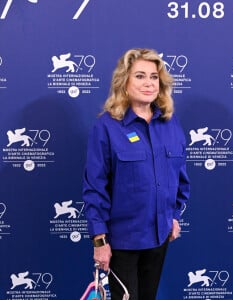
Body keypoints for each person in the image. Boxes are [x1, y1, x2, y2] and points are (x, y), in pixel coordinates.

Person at [83, 48, 190, 300]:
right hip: (122, 242)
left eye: (154, 77)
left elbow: (179, 179)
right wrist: (99, 241)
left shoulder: (171, 124)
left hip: (159, 238)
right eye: (140, 76)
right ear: (124, 81)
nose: (149, 83)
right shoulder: (107, 126)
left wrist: (173, 216)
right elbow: (94, 186)